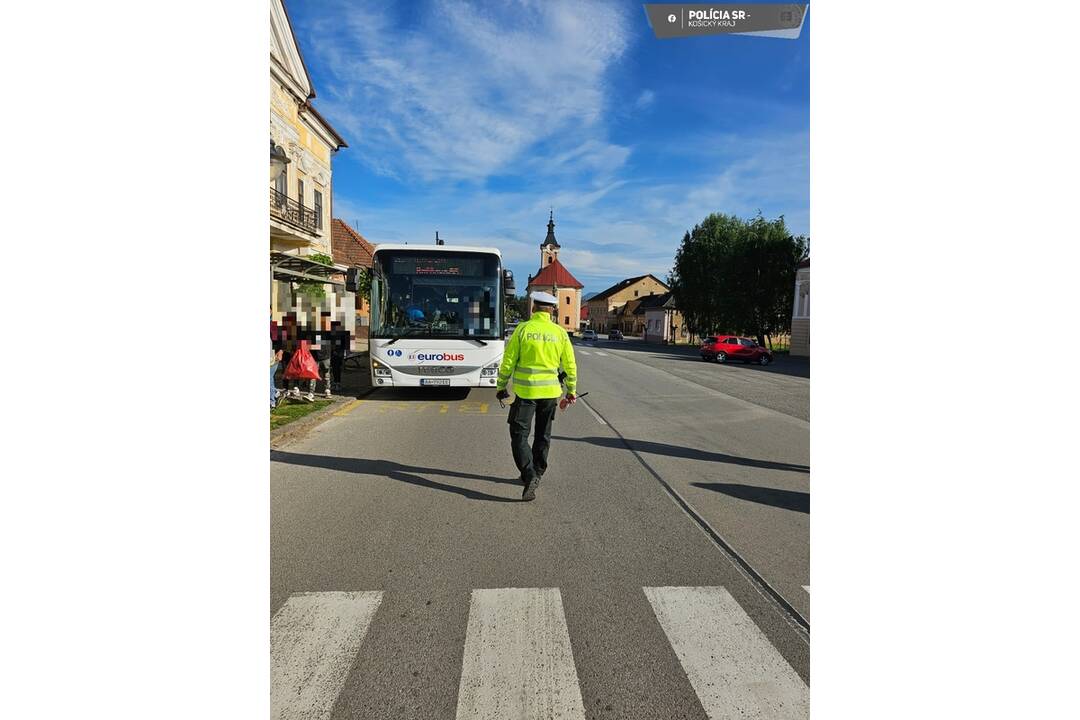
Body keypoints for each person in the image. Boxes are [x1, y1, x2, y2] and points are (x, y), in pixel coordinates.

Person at [495, 291, 578, 501]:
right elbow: (569, 365)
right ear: (552, 311)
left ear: (533, 308)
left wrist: (501, 385)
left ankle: (529, 473)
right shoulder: (560, 333)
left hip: (526, 393)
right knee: (543, 435)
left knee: (519, 435)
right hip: (550, 394)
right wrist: (571, 390)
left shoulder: (523, 330)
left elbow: (508, 362)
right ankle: (538, 473)